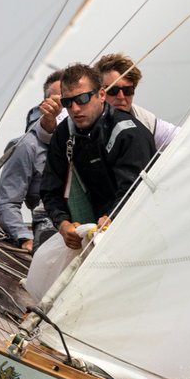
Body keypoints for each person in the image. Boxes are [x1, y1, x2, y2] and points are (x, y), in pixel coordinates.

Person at [40, 63, 156, 250]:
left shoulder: (129, 134)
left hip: (138, 228)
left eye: (82, 99)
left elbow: (135, 189)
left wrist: (113, 216)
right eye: (68, 102)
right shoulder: (64, 134)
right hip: (90, 231)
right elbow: (49, 189)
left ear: (101, 95)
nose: (75, 109)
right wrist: (63, 225)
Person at [0, 69, 63, 252]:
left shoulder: (89, 137)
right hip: (49, 231)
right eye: (60, 101)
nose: (65, 107)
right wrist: (25, 238)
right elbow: (7, 202)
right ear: (45, 104)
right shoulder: (26, 146)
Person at [94, 52, 181, 151]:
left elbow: (184, 138)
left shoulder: (145, 120)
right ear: (99, 92)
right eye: (113, 90)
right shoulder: (82, 120)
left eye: (128, 90)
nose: (121, 96)